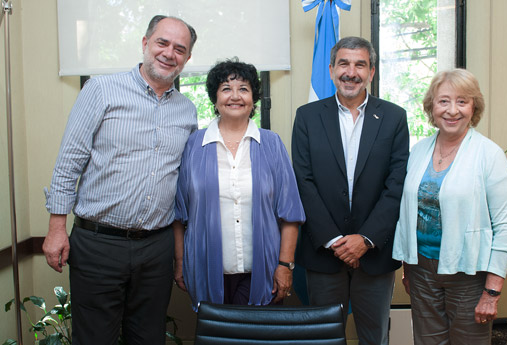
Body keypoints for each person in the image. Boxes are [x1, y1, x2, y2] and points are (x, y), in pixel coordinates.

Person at [42, 15, 198, 345]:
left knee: (148, 337)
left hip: (157, 247)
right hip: (99, 243)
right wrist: (57, 228)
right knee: (95, 338)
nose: (169, 53)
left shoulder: (187, 111)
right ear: (145, 43)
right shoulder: (101, 90)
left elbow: (185, 179)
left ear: (187, 58)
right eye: (162, 43)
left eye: (179, 49)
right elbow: (69, 161)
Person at [292, 36, 409, 345]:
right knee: (323, 339)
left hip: (375, 254)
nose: (351, 72)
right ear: (331, 70)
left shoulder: (395, 118)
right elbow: (303, 182)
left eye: (360, 64)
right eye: (344, 63)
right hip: (323, 252)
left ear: (371, 72)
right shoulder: (307, 116)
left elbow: (396, 185)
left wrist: (365, 239)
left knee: (374, 338)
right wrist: (336, 241)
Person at [392, 69, 507, 345]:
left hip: (468, 273)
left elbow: (505, 228)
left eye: (462, 101)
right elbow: (409, 214)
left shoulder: (489, 155)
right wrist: (408, 268)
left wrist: (492, 292)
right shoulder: (419, 151)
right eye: (443, 101)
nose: (452, 110)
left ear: (474, 107)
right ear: (432, 107)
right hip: (422, 270)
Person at [173, 59, 305, 310]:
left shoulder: (272, 144)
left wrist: (285, 265)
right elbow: (180, 215)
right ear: (215, 98)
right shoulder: (193, 145)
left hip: (261, 271)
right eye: (226, 89)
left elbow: (290, 213)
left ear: (253, 99)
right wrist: (180, 262)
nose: (235, 96)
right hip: (205, 269)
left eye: (243, 89)